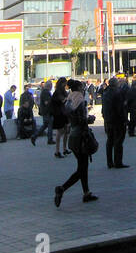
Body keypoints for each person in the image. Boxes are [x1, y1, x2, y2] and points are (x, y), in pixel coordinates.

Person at [54, 80, 99, 208]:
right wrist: (89, 119)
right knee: (82, 169)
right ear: (79, 88)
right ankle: (61, 188)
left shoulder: (69, 99)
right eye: (82, 87)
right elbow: (80, 119)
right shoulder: (79, 99)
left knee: (82, 166)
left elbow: (70, 116)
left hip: (73, 137)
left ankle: (86, 193)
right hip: (81, 137)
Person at [102, 76, 129, 169]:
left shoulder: (105, 92)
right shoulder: (117, 93)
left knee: (110, 141)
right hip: (117, 121)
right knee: (118, 141)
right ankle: (118, 162)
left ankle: (109, 162)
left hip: (108, 120)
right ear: (116, 84)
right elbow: (120, 109)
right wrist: (125, 119)